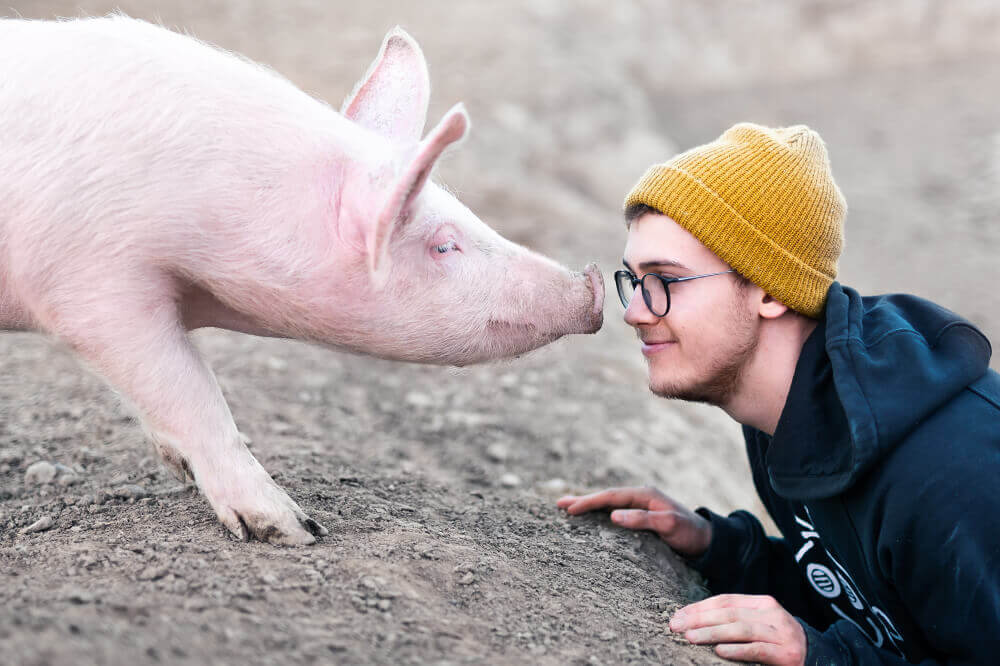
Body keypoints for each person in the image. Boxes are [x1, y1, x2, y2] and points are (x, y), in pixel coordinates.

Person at [557, 123, 1000, 665]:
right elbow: (870, 601)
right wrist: (721, 548)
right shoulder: (783, 413)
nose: (634, 311)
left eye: (665, 281)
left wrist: (826, 658)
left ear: (769, 289)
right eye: (635, 280)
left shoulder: (951, 477)